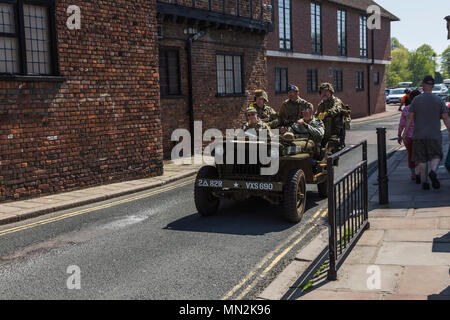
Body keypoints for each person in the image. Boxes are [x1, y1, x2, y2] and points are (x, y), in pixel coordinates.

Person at [402, 76, 450, 190]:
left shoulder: (416, 100)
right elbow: (446, 118)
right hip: (434, 135)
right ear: (433, 86)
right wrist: (449, 130)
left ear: (423, 86)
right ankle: (433, 171)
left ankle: (424, 182)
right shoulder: (439, 100)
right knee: (436, 155)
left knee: (421, 158)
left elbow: (409, 117)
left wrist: (405, 132)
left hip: (418, 135)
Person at [315, 83, 351, 155]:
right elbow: (316, 116)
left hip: (335, 134)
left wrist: (326, 113)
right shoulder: (321, 104)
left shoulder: (336, 101)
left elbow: (336, 109)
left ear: (331, 92)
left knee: (328, 153)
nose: (324, 93)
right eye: (322, 92)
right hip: (324, 133)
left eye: (326, 91)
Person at [397, 89, 421, 182]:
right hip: (420, 136)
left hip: (408, 137)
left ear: (411, 99)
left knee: (410, 155)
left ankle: (413, 174)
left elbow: (402, 124)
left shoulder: (407, 109)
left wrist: (399, 135)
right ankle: (419, 173)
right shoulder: (423, 109)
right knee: (420, 155)